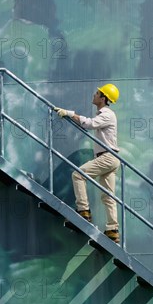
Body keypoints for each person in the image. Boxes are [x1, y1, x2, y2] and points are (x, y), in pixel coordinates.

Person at [54, 84, 121, 244]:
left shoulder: (107, 114)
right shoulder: (105, 114)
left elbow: (89, 124)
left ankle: (83, 210)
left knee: (78, 175)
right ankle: (113, 230)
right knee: (108, 196)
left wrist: (69, 114)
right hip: (109, 157)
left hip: (107, 156)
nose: (94, 95)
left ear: (104, 98)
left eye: (97, 93)